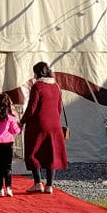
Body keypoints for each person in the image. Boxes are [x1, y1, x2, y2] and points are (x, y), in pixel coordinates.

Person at [20, 61, 68, 194]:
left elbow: (32, 108)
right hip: (55, 124)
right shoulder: (56, 86)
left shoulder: (37, 86)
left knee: (32, 152)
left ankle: (38, 183)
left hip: (38, 124)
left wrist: (22, 121)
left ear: (37, 73)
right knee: (51, 153)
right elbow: (59, 108)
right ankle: (49, 185)